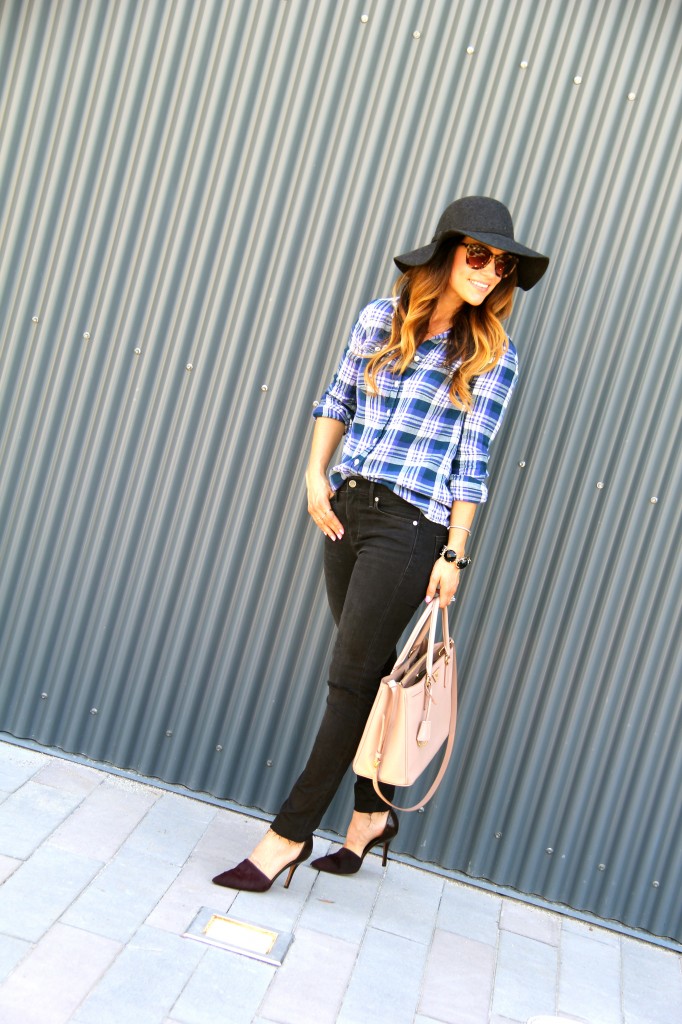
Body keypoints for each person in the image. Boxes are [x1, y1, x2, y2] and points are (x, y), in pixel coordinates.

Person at [212, 196, 549, 892]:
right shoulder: (379, 318)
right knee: (367, 676)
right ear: (447, 252)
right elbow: (335, 399)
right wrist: (314, 477)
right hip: (347, 510)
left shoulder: (494, 355)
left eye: (502, 264)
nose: (490, 272)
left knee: (347, 683)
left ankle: (286, 836)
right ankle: (370, 817)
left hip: (412, 527)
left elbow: (472, 461)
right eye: (478, 256)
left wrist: (454, 552)